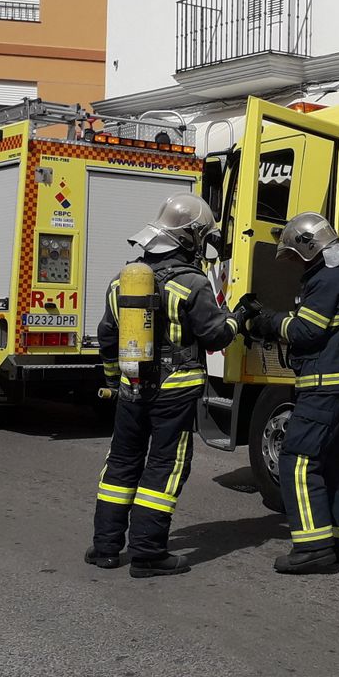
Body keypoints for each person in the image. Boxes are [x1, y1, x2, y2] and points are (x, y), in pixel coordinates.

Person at [89, 195, 240, 578]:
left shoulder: (119, 281)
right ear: (188, 238)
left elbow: (106, 336)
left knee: (121, 462)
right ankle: (148, 553)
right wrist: (239, 320)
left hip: (130, 388)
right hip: (176, 390)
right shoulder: (192, 283)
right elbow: (215, 336)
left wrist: (113, 378)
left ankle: (106, 548)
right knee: (165, 466)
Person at [236, 212, 339, 575]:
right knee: (327, 464)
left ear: (308, 248)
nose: (293, 263)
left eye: (294, 256)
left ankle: (312, 548)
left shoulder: (327, 279)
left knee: (296, 459)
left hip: (324, 385)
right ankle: (334, 539)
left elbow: (306, 333)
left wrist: (267, 320)